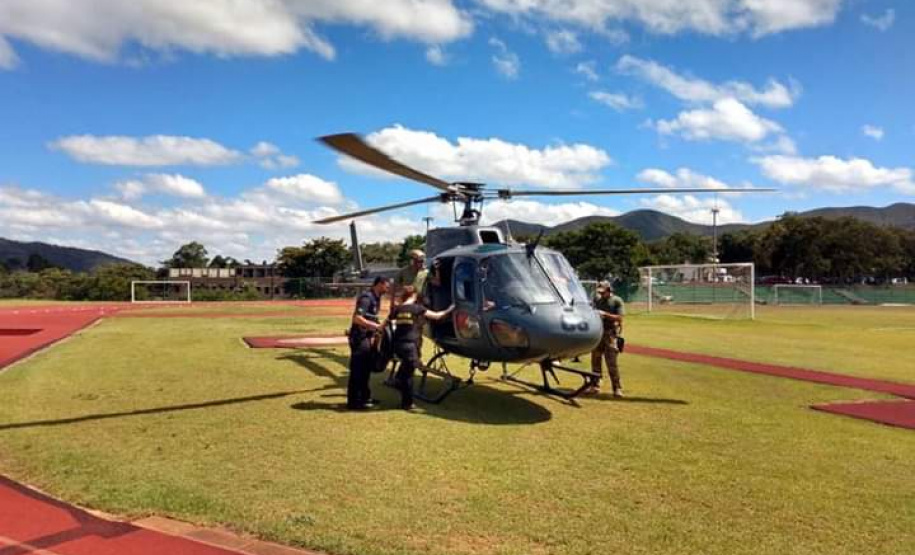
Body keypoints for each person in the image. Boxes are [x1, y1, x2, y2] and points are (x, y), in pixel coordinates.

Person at [391, 286, 453, 410]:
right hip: (410, 345)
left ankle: (398, 380)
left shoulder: (397, 309)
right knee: (409, 373)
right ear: (413, 295)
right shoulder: (417, 308)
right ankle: (407, 403)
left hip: (398, 344)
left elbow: (390, 322)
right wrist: (452, 308)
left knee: (406, 367)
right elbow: (437, 316)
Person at [347, 276, 390, 410]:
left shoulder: (376, 298)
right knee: (358, 370)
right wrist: (376, 327)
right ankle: (354, 401)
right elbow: (357, 318)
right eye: (387, 286)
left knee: (365, 369)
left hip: (367, 338)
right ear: (380, 284)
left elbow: (371, 317)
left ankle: (365, 397)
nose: (388, 288)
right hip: (359, 338)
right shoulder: (366, 298)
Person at [590, 281, 625, 397]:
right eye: (599, 292)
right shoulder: (598, 301)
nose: (601, 294)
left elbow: (620, 318)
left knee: (612, 363)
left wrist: (605, 314)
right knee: (595, 361)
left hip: (610, 335)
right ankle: (595, 385)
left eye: (603, 292)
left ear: (609, 290)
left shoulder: (616, 301)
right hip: (598, 333)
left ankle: (617, 388)